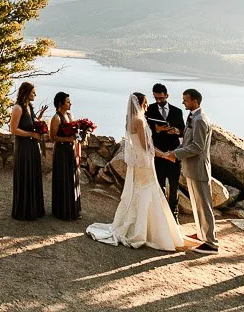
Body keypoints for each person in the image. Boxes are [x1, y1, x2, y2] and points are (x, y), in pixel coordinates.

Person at [86, 93, 183, 250]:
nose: (147, 106)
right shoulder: (139, 120)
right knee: (147, 191)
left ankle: (141, 227)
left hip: (139, 162)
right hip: (144, 162)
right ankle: (144, 231)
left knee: (140, 191)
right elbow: (147, 147)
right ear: (140, 104)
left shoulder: (130, 120)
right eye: (145, 103)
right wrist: (164, 155)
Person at [162, 88, 218, 254]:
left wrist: (176, 154)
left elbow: (198, 146)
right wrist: (174, 152)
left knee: (204, 205)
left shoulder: (200, 120)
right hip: (191, 168)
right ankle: (202, 234)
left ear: (194, 101)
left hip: (199, 168)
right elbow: (188, 141)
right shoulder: (193, 117)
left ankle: (211, 243)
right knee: (197, 204)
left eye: (185, 100)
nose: (183, 102)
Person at [9, 82, 46, 220]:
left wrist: (40, 117)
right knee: (25, 176)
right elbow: (13, 130)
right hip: (23, 147)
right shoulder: (18, 108)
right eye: (33, 92)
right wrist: (31, 135)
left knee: (32, 175)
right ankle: (23, 211)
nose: (35, 94)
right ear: (26, 93)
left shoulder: (29, 106)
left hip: (32, 147)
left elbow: (31, 123)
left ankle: (33, 209)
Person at [146, 83, 184, 216]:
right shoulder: (149, 110)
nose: (159, 101)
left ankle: (174, 214)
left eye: (161, 98)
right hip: (158, 154)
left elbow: (183, 131)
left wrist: (176, 131)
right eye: (156, 98)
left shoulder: (177, 111)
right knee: (159, 185)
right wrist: (157, 129)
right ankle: (161, 215)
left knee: (174, 186)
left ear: (167, 95)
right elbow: (146, 132)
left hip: (174, 153)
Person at [50, 91, 81, 220]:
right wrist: (68, 139)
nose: (70, 103)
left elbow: (75, 133)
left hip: (71, 151)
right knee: (63, 179)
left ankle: (72, 209)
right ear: (61, 104)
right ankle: (62, 211)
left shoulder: (70, 115)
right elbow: (53, 137)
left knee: (72, 178)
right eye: (68, 102)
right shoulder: (56, 118)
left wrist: (80, 136)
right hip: (61, 152)